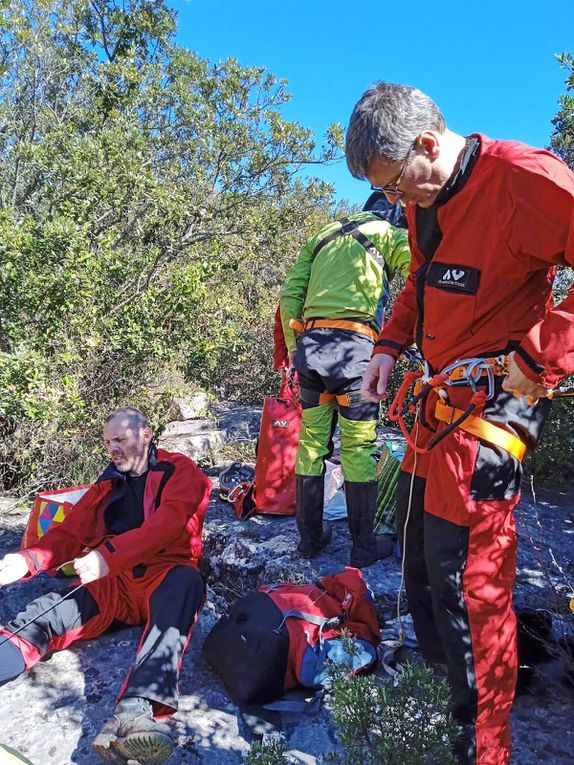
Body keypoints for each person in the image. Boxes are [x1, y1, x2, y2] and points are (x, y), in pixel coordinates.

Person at [345, 81, 574, 765]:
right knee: (418, 562)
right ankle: (447, 702)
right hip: (435, 405)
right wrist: (388, 345)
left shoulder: (523, 179)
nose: (397, 202)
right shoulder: (425, 201)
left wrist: (545, 357)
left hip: (498, 405)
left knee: (467, 583)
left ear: (427, 143)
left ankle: (485, 746)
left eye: (398, 186)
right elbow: (419, 279)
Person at [0, 407, 212, 765]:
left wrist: (106, 557)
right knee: (47, 614)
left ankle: (134, 712)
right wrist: (28, 559)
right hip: (115, 584)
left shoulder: (181, 471)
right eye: (108, 442)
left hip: (164, 576)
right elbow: (70, 532)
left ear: (146, 434)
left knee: (188, 583)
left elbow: (166, 525)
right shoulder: (106, 484)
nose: (113, 448)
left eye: (120, 439)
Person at [279, 210, 411, 566]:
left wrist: (295, 347)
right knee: (357, 446)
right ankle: (363, 545)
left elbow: (290, 294)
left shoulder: (321, 235)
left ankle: (309, 540)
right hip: (356, 352)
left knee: (311, 443)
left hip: (311, 350)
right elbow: (421, 274)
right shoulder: (389, 232)